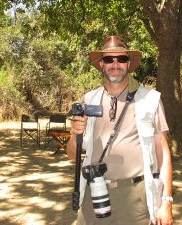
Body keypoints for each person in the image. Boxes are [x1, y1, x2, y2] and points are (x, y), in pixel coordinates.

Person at [66, 35, 173, 225]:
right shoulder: (88, 100)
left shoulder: (149, 99)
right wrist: (75, 133)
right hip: (94, 193)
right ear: (101, 65)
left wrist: (166, 201)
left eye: (121, 58)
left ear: (129, 63)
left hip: (135, 198)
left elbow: (163, 153)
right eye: (109, 59)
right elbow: (72, 156)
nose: (115, 64)